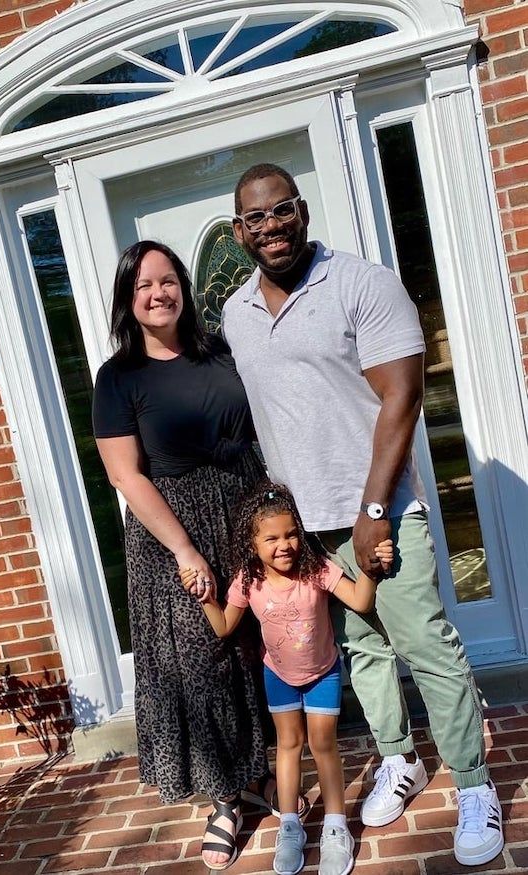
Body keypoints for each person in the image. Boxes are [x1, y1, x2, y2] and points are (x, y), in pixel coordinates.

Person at [220, 163, 504, 868]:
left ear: (303, 212)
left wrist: (375, 508)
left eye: (282, 210)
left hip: (376, 512)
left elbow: (403, 396)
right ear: (238, 232)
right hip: (305, 531)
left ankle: (474, 784)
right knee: (363, 653)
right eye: (256, 218)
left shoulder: (362, 283)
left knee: (426, 645)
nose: (271, 227)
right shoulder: (234, 312)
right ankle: (399, 757)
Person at [92, 240, 278, 871]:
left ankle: (262, 773)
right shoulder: (118, 378)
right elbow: (126, 475)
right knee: (200, 664)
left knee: (258, 645)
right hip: (170, 530)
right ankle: (224, 797)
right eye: (144, 285)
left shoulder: (220, 350)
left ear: (183, 287)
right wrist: (185, 551)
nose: (158, 293)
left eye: (168, 280)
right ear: (127, 298)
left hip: (244, 511)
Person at [182, 482, 393, 875]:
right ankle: (290, 826)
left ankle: (335, 827)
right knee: (289, 746)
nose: (285, 545)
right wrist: (206, 599)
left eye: (292, 533)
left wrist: (370, 567)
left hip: (322, 673)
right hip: (278, 675)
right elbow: (225, 626)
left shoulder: (317, 570)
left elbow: (361, 601)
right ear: (253, 543)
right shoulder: (248, 581)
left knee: (323, 744)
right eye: (272, 538)